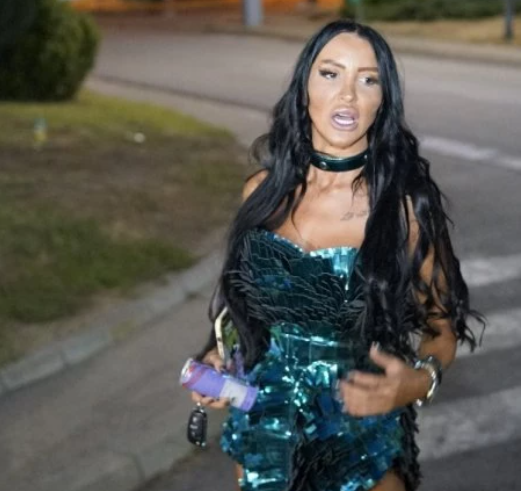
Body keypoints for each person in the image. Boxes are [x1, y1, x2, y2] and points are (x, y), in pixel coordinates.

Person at [190, 19, 482, 491]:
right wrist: (218, 358)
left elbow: (443, 327)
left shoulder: (404, 209)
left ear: (382, 101)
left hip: (358, 442)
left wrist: (417, 382)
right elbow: (241, 308)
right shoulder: (261, 193)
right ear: (304, 87)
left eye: (367, 80)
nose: (347, 94)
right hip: (266, 431)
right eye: (330, 74)